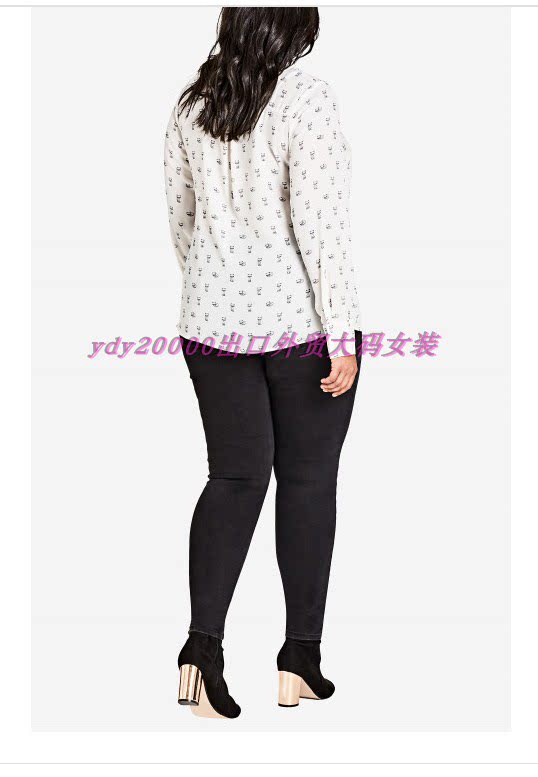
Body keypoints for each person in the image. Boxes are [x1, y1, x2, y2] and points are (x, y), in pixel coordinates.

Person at [164, 7, 361, 719]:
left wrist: (214, 290)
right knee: (307, 483)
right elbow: (322, 225)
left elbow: (181, 217)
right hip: (301, 327)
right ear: (292, 28)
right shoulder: (306, 98)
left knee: (233, 477)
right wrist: (342, 333)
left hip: (210, 326)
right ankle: (299, 660)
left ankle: (200, 652)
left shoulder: (193, 102)